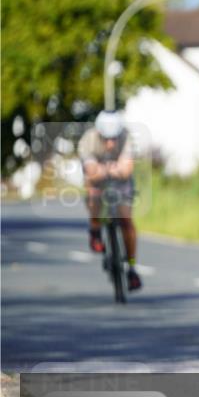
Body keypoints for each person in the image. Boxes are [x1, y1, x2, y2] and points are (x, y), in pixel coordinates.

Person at [78, 110, 142, 291]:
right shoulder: (87, 141)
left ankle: (131, 266)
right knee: (94, 195)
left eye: (114, 138)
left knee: (127, 221)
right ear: (98, 133)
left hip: (121, 183)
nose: (111, 143)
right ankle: (95, 230)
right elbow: (92, 173)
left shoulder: (127, 137)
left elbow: (127, 170)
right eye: (106, 139)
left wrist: (105, 169)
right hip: (98, 182)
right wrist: (112, 169)